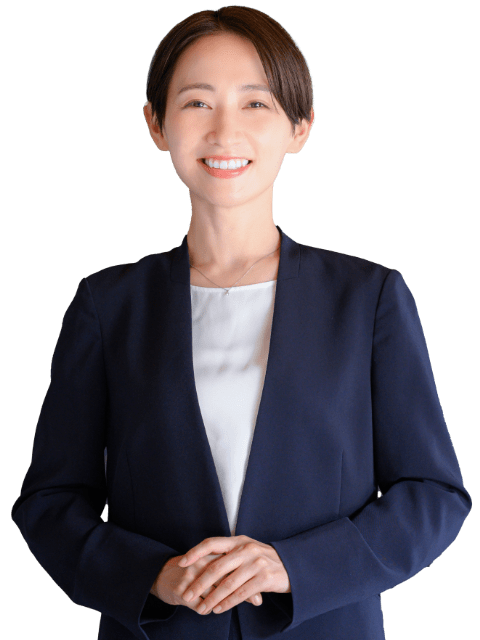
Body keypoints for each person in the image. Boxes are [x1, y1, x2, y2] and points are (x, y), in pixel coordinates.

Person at [11, 5, 472, 640]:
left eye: (256, 103)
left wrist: (293, 567)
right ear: (156, 123)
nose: (225, 130)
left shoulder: (369, 298)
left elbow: (433, 494)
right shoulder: (107, 304)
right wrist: (152, 576)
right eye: (197, 103)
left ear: (300, 126)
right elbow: (50, 503)